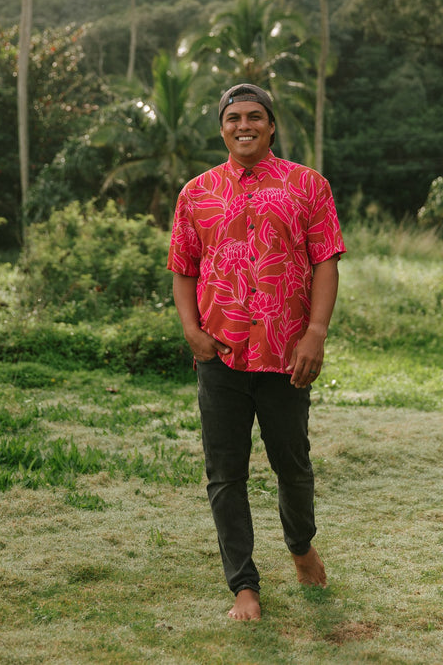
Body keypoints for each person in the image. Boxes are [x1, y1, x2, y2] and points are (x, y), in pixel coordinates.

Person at [167, 83, 345, 621]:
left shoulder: (307, 186)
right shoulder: (195, 193)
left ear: (271, 125)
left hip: (286, 354)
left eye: (255, 117)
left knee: (292, 463)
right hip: (218, 355)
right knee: (226, 473)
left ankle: (300, 545)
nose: (244, 125)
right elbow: (183, 268)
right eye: (233, 118)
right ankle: (244, 586)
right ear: (222, 127)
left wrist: (315, 331)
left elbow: (326, 261)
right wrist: (192, 332)